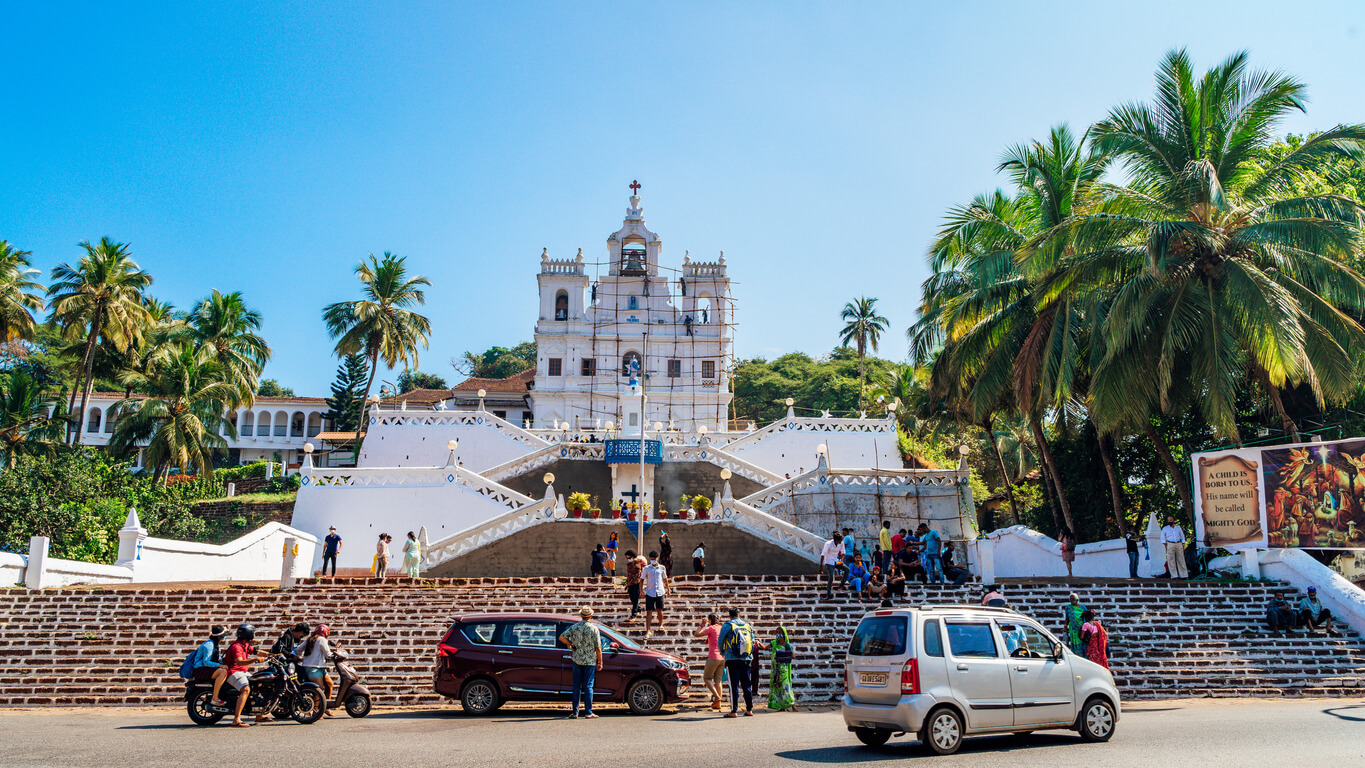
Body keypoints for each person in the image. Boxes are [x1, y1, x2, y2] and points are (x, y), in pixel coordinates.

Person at [211, 623, 271, 727]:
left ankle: (259, 715)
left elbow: (256, 651)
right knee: (246, 689)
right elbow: (239, 662)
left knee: (259, 683)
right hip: (233, 672)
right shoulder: (236, 647)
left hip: (242, 672)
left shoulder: (245, 645)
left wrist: (271, 655)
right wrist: (254, 659)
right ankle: (236, 720)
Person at [558, 607, 604, 719]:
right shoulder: (594, 629)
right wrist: (600, 661)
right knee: (588, 686)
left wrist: (571, 645)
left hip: (577, 659)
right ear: (590, 616)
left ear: (581, 616)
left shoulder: (575, 627)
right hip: (590, 661)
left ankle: (575, 712)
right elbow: (598, 647)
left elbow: (561, 638)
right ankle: (588, 712)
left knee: (576, 686)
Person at [717, 607, 756, 717]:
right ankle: (749, 709)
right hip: (747, 659)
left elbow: (720, 641)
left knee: (733, 685)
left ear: (730, 616)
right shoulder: (747, 626)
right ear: (740, 615)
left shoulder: (728, 625)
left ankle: (734, 711)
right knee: (747, 684)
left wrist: (723, 652)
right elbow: (752, 641)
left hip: (732, 659)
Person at [296, 624, 336, 716]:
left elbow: (298, 650)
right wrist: (335, 654)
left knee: (329, 684)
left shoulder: (310, 639)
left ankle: (324, 706)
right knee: (319, 689)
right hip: (314, 669)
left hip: (317, 667)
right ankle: (315, 712)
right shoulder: (322, 639)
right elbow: (327, 654)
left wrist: (302, 658)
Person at [693, 613, 726, 710]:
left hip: (713, 657)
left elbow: (696, 634)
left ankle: (717, 697)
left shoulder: (711, 628)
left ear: (710, 620)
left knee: (707, 678)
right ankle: (718, 704)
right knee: (718, 681)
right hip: (722, 658)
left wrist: (702, 625)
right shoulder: (722, 628)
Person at [643, 551, 669, 637]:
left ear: (657, 558)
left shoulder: (662, 568)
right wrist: (641, 590)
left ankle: (661, 624)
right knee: (649, 611)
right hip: (650, 591)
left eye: (654, 559)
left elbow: (665, 579)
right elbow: (642, 579)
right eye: (651, 559)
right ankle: (648, 630)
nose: (653, 561)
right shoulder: (646, 568)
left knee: (659, 609)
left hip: (660, 591)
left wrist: (668, 589)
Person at [819, 530, 846, 599]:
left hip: (836, 560)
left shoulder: (841, 543)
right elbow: (823, 555)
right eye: (840, 540)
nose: (841, 542)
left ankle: (841, 586)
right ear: (836, 540)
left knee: (847, 570)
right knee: (831, 577)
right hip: (829, 561)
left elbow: (843, 553)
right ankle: (828, 594)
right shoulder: (828, 544)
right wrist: (821, 566)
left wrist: (841, 560)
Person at [624, 549, 645, 619]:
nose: (628, 559)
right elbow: (628, 574)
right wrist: (627, 583)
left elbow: (641, 572)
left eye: (629, 557)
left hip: (637, 582)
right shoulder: (628, 564)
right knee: (632, 598)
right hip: (630, 583)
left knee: (635, 598)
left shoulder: (638, 563)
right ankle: (638, 608)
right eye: (627, 558)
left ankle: (634, 613)